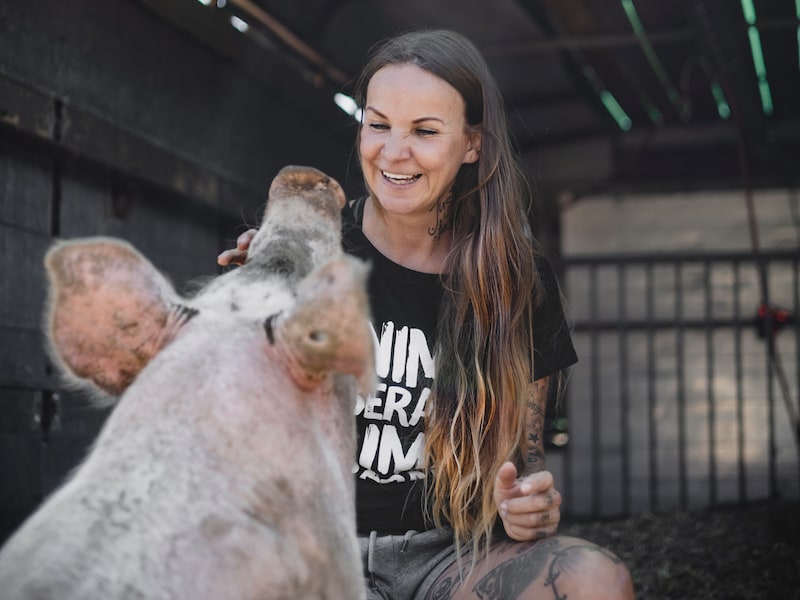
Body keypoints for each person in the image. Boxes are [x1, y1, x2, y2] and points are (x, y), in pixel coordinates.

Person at [219, 28, 634, 600]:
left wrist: (527, 506)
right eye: (378, 123)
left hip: (455, 556)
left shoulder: (517, 282)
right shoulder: (307, 252)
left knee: (594, 584)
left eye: (425, 131)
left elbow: (525, 462)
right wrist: (246, 304)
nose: (393, 151)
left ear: (472, 145)